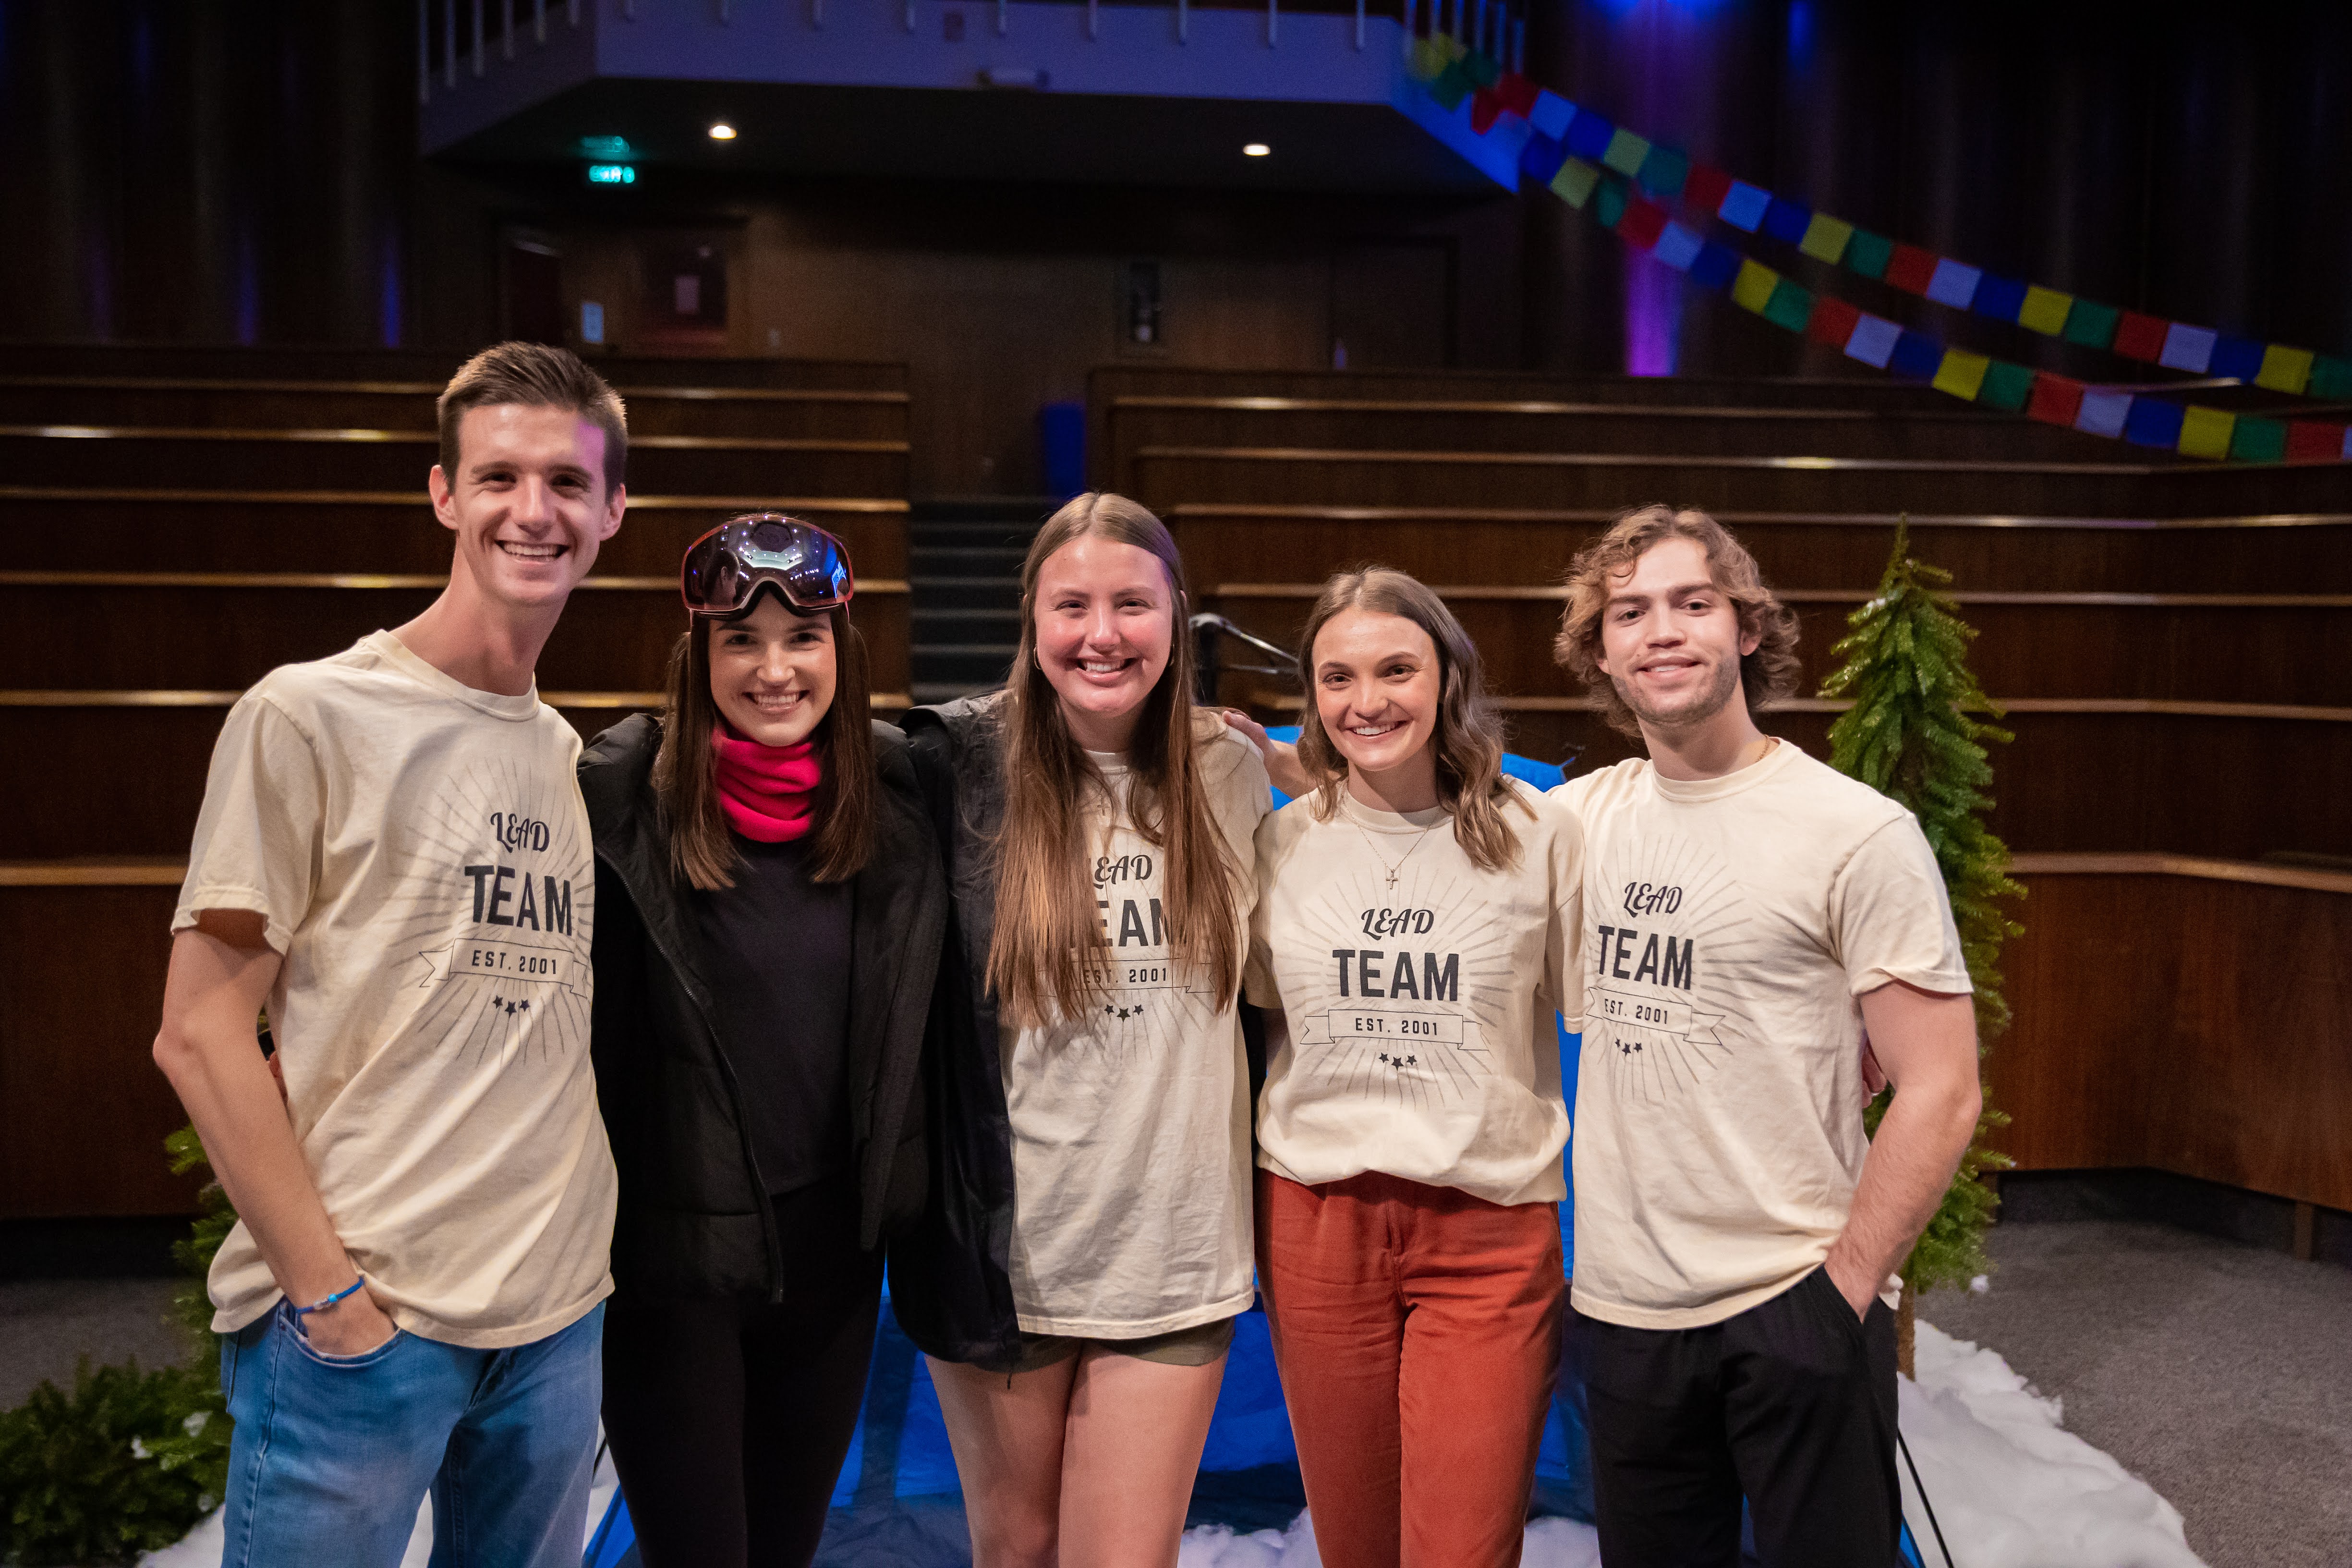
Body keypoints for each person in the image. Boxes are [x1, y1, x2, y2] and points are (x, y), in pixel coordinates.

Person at [151, 342, 629, 1567]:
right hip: (368, 1324)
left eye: (569, 483)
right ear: (442, 493)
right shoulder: (309, 713)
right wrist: (327, 1296)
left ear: (613, 510)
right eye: (500, 477)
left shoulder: (573, 758)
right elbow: (200, 1033)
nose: (535, 510)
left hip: (556, 1323)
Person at [1549, 505, 1983, 1567]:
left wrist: (1841, 1290)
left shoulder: (1854, 832)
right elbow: (1417, 821)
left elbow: (1941, 1087)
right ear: (1598, 650)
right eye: (1629, 611)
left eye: (1693, 603)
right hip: (1623, 1311)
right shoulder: (1571, 822)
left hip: (1792, 1297)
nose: (1661, 631)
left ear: (1745, 627)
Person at [888, 491, 1270, 1568]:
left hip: (1174, 1250)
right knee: (1016, 1552)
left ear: (1176, 615)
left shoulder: (1234, 771)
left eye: (1131, 605)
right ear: (1033, 619)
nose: (1102, 634)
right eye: (1073, 606)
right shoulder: (955, 768)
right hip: (1009, 1254)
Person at [578, 515, 947, 1567]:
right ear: (699, 659)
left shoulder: (899, 797)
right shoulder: (621, 798)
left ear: (845, 652)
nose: (775, 669)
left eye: (804, 638)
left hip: (832, 1268)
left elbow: (1049, 733)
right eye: (741, 640)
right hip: (673, 1272)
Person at [1244, 568, 1584, 1568]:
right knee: (1354, 1545)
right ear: (1312, 696)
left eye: (1397, 669)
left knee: (1463, 1549)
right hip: (1317, 1226)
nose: (1368, 700)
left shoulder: (1535, 831)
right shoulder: (1275, 844)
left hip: (1487, 1228)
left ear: (1447, 678)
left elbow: (1614, 1006)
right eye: (1338, 677)